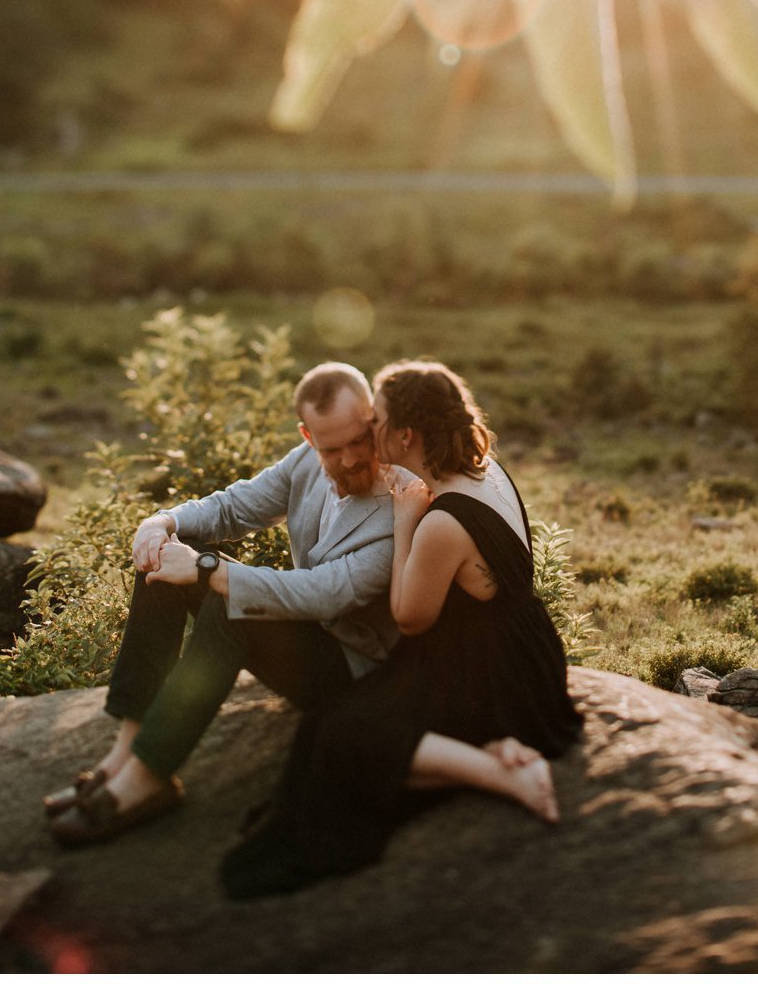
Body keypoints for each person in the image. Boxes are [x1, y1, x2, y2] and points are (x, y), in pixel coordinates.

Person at [219, 359, 581, 897]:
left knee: (344, 738)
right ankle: (494, 751)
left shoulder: (437, 521)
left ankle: (498, 770)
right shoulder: (489, 471)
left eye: (377, 419)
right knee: (329, 726)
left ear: (405, 434)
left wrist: (405, 521)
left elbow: (410, 618)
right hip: (529, 652)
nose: (369, 429)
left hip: (483, 673)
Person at [47, 361, 400, 845]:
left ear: (373, 421)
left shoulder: (403, 497)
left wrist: (212, 570)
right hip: (309, 638)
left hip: (352, 672)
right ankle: (125, 754)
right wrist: (161, 523)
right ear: (307, 434)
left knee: (233, 605)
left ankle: (150, 777)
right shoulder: (305, 462)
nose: (349, 459)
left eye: (359, 440)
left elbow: (328, 592)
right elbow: (234, 508)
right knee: (163, 563)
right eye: (330, 448)